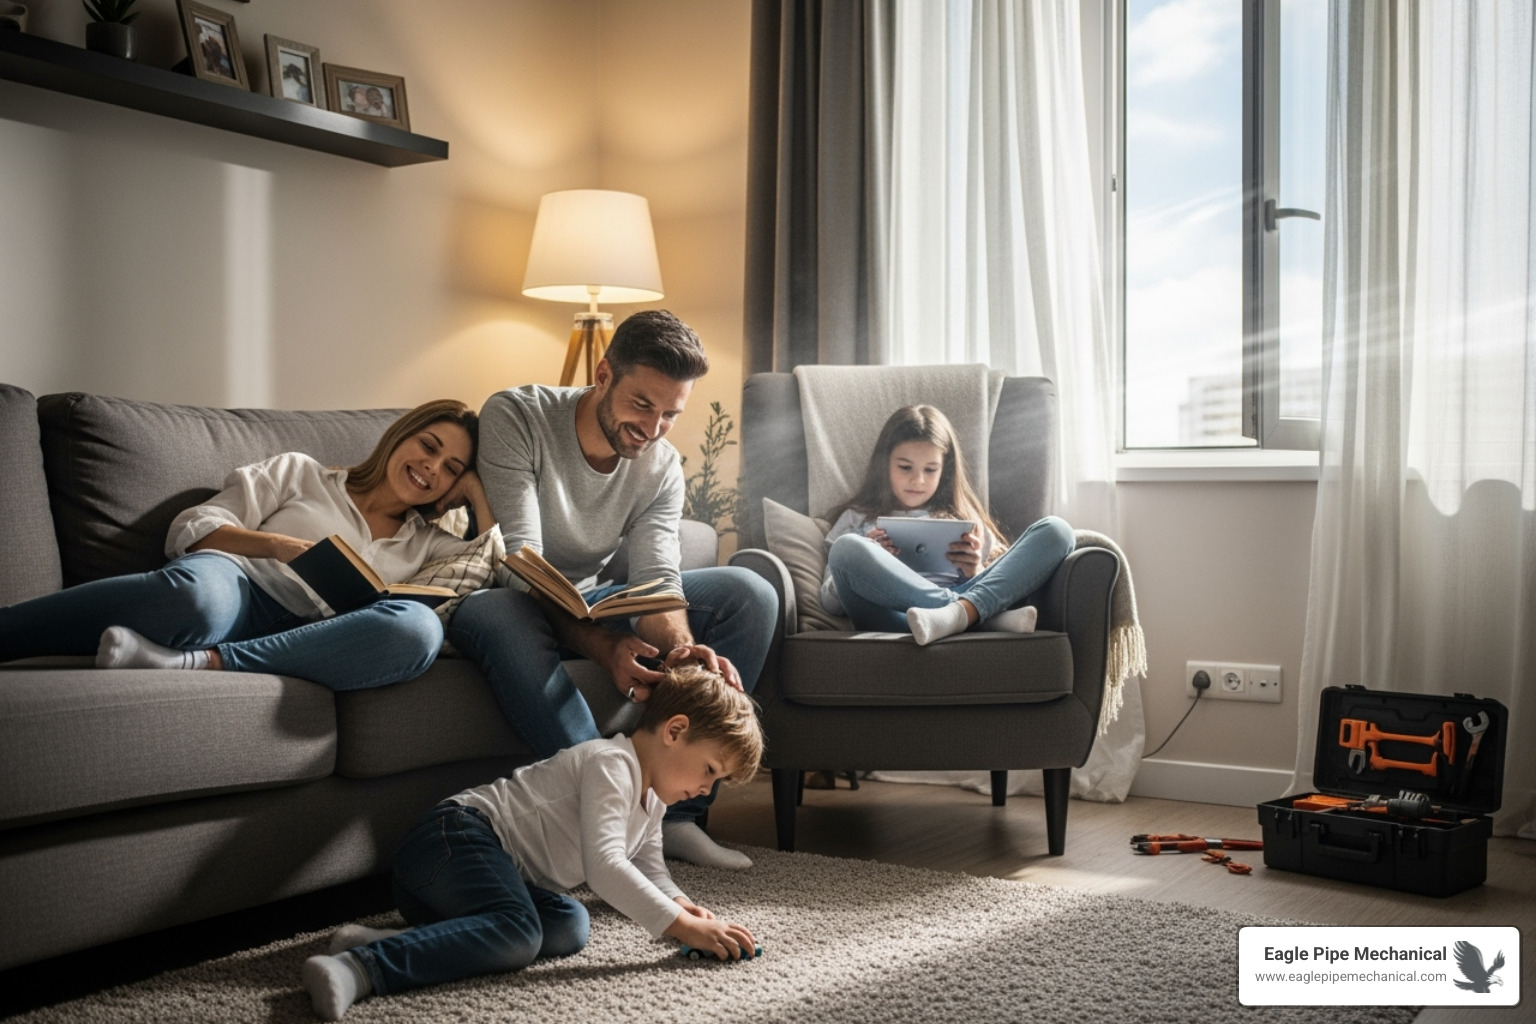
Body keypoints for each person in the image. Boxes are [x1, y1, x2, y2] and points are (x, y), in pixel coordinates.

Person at [448, 310, 775, 871]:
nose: (651, 430)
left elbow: (656, 582)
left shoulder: (661, 464)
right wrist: (604, 647)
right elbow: (518, 562)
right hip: (503, 597)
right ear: (603, 375)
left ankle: (674, 819)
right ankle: (614, 818)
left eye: (670, 414)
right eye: (641, 405)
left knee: (749, 592)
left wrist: (679, 650)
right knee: (504, 609)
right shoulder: (517, 415)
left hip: (592, 599)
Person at [300, 665, 763, 1021]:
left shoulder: (654, 801)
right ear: (675, 730)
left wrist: (683, 906)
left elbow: (649, 865)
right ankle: (361, 967)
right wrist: (679, 928)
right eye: (709, 770)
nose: (707, 790)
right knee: (520, 932)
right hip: (451, 840)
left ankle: (404, 941)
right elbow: (604, 867)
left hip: (463, 886)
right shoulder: (611, 764)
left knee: (568, 926)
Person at [0, 400, 496, 691]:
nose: (433, 468)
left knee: (418, 631)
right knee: (195, 596)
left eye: (452, 468)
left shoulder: (432, 544)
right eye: (429, 447)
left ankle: (201, 663)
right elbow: (194, 525)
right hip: (242, 587)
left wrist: (477, 491)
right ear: (400, 437)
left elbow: (494, 561)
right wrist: (278, 546)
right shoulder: (302, 472)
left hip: (319, 637)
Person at [821, 404, 1075, 646]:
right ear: (884, 463)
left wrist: (974, 570)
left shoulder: (964, 520)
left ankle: (962, 614)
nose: (917, 480)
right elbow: (829, 603)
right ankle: (975, 615)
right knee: (846, 549)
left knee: (1057, 530)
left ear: (945, 470)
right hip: (893, 620)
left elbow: (1002, 580)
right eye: (905, 467)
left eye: (930, 469)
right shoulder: (856, 519)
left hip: (962, 598)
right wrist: (873, 558)